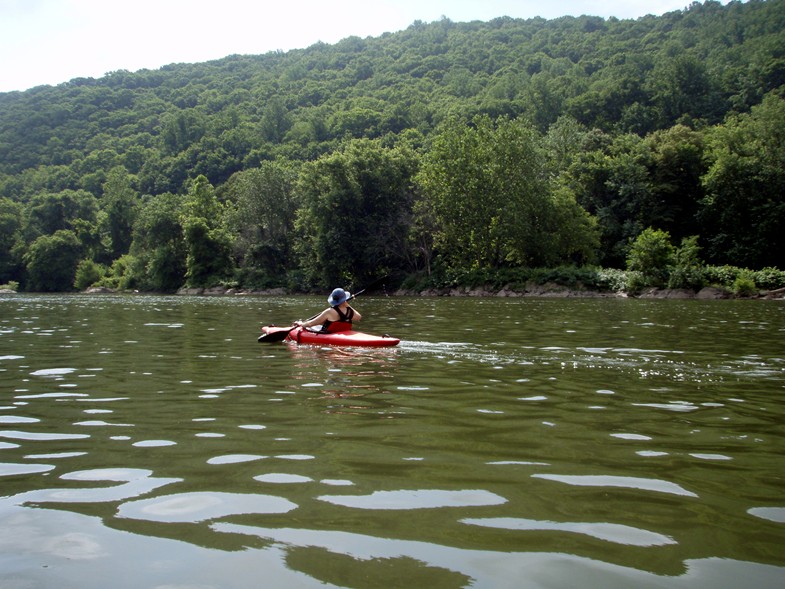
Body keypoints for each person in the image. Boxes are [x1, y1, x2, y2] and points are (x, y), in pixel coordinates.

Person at [295, 288, 362, 333]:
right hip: (343, 334)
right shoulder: (350, 311)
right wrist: (347, 305)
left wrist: (301, 324)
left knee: (313, 326)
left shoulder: (329, 311)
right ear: (344, 299)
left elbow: (310, 323)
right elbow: (359, 317)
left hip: (329, 335)